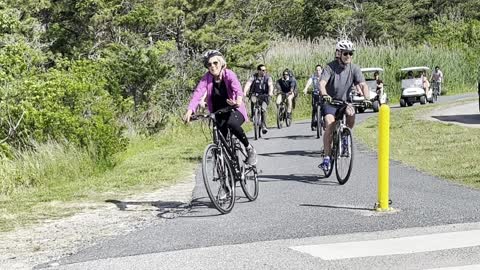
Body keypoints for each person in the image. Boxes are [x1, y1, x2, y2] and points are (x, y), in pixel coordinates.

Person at [183, 50, 257, 165]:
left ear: (221, 63)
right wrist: (190, 110)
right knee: (219, 141)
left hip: (235, 109)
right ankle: (225, 171)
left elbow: (237, 89)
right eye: (209, 64)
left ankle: (249, 148)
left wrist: (238, 101)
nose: (212, 66)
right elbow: (197, 94)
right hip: (218, 113)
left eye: (215, 63)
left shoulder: (229, 74)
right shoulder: (206, 78)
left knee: (231, 124)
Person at [318, 39, 369, 171]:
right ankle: (327, 159)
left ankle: (345, 136)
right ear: (339, 53)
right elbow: (322, 83)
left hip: (344, 102)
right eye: (346, 53)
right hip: (330, 101)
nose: (348, 56)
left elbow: (363, 85)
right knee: (329, 125)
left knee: (351, 114)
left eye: (351, 54)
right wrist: (324, 95)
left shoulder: (355, 68)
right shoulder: (330, 67)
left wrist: (367, 98)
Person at [244, 64, 274, 134]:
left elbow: (270, 85)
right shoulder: (253, 77)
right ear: (258, 71)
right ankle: (252, 115)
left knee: (263, 109)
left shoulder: (268, 78)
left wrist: (270, 92)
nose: (264, 71)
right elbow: (248, 84)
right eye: (263, 70)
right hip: (255, 95)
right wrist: (244, 92)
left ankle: (263, 126)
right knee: (252, 99)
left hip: (265, 96)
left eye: (265, 70)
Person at [303, 65, 323, 131]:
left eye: (319, 70)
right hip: (315, 94)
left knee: (325, 108)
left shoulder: (324, 76)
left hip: (323, 94)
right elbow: (309, 81)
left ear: (321, 70)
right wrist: (306, 88)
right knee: (314, 108)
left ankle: (324, 121)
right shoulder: (313, 77)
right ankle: (313, 124)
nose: (318, 71)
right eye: (316, 70)